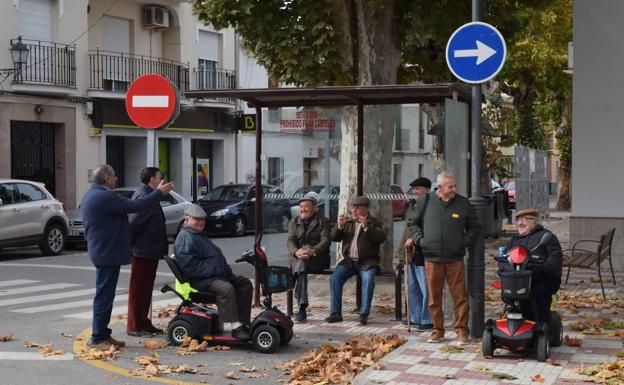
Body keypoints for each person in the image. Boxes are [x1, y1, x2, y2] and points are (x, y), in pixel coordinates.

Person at [81, 164, 174, 350]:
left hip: (104, 251)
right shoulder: (104, 196)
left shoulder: (92, 194)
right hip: (107, 253)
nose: (116, 178)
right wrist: (159, 193)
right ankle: (98, 337)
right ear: (106, 179)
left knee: (106, 295)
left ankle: (103, 334)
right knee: (104, 297)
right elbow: (135, 207)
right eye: (114, 175)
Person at [408, 171, 481, 344]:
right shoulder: (425, 201)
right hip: (431, 258)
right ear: (440, 187)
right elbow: (413, 224)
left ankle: (462, 331)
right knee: (434, 297)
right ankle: (437, 330)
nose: (454, 189)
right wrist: (421, 241)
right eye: (450, 186)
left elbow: (475, 228)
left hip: (455, 258)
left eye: (455, 185)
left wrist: (463, 242)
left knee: (460, 297)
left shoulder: (463, 203)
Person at [174, 204, 253, 340]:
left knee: (244, 284)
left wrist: (223, 271)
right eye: (196, 219)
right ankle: (235, 327)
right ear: (187, 220)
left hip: (215, 276)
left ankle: (242, 322)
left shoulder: (196, 235)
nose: (201, 222)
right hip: (201, 280)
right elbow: (189, 266)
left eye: (202, 219)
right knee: (226, 289)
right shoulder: (186, 237)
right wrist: (216, 271)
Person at [326, 196, 387, 325]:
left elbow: (380, 238)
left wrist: (366, 228)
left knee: (368, 280)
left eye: (357, 208)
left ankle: (364, 313)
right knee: (335, 278)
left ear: (365, 208)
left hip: (368, 262)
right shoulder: (348, 223)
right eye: (352, 207)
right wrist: (340, 226)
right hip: (348, 261)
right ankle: (336, 313)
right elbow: (333, 237)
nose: (353, 210)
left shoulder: (375, 222)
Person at [126, 167, 168, 337]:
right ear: (152, 179)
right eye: (160, 177)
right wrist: (136, 244)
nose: (162, 179)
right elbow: (134, 222)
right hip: (142, 250)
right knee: (138, 290)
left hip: (148, 249)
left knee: (145, 289)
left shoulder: (149, 194)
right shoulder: (144, 195)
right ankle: (134, 325)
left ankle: (143, 322)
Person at [503, 208, 562, 324]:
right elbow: (504, 258)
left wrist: (537, 267)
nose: (520, 223)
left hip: (541, 279)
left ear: (535, 222)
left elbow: (555, 260)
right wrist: (504, 267)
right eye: (518, 220)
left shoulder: (546, 237)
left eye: (524, 220)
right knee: (508, 294)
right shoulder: (513, 240)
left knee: (538, 294)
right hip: (517, 280)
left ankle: (542, 328)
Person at [287, 195, 331, 322]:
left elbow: (326, 241)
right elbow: (290, 241)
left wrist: (313, 251)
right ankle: (302, 307)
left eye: (306, 206)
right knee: (302, 269)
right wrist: (296, 252)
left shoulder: (323, 221)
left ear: (315, 209)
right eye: (301, 207)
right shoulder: (293, 222)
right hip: (300, 259)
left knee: (302, 263)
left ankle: (293, 279)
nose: (303, 209)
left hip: (318, 258)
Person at [400, 177, 433, 330]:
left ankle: (427, 319)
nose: (414, 192)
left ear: (426, 189)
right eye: (413, 189)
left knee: (425, 287)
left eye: (417, 189)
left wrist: (414, 239)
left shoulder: (430, 205)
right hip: (409, 252)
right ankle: (415, 317)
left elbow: (428, 226)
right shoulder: (412, 205)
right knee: (411, 287)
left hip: (422, 252)